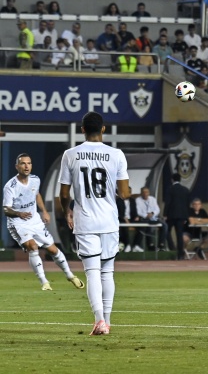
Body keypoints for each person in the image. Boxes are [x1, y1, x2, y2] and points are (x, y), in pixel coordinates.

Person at [58, 112, 130, 335]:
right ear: (103, 129)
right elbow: (125, 193)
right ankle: (106, 322)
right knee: (107, 272)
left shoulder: (70, 155)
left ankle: (99, 320)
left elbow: (63, 193)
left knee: (92, 272)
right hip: (109, 220)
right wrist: (123, 191)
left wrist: (67, 211)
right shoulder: (116, 154)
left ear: (82, 130)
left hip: (85, 220)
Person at [3, 154, 85, 291]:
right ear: (17, 167)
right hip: (18, 222)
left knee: (53, 249)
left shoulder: (35, 180)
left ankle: (70, 275)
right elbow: (6, 209)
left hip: (35, 220)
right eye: (23, 163)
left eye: (29, 163)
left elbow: (37, 195)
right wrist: (18, 213)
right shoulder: (10, 186)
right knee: (33, 247)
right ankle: (44, 282)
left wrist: (44, 211)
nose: (26, 166)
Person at [135, 187, 173, 251]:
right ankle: (151, 245)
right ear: (141, 193)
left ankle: (161, 245)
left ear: (149, 193)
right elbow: (138, 211)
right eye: (144, 192)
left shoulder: (152, 199)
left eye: (147, 192)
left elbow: (157, 209)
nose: (145, 194)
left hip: (153, 217)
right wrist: (146, 215)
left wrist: (152, 213)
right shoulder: (138, 200)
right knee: (148, 226)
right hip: (144, 218)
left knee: (164, 225)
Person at [164, 173, 191, 260]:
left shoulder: (170, 189)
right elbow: (187, 205)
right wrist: (186, 217)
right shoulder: (185, 190)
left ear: (172, 179)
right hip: (182, 216)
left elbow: (167, 203)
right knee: (179, 235)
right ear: (180, 179)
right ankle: (180, 254)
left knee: (166, 231)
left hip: (171, 215)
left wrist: (165, 214)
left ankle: (172, 247)